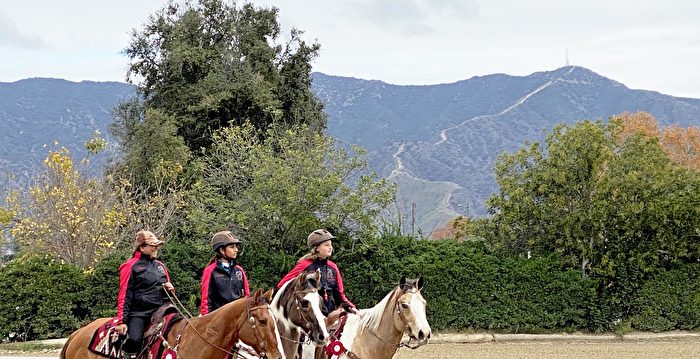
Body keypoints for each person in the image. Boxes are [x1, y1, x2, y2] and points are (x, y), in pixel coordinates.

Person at [114, 230, 175, 359]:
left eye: (157, 245)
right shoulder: (130, 266)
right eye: (153, 245)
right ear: (142, 247)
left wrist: (170, 289)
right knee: (134, 340)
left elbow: (168, 293)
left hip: (161, 310)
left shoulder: (160, 266)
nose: (156, 248)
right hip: (139, 313)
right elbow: (124, 294)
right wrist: (122, 321)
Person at [277, 229, 357, 316]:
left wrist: (352, 308)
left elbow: (339, 295)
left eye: (331, 245)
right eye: (326, 245)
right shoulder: (304, 265)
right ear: (317, 248)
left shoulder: (333, 267)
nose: (330, 247)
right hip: (309, 316)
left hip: (330, 314)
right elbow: (282, 285)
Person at [200, 230, 250, 315]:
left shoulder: (239, 270)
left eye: (236, 247)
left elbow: (247, 295)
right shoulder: (210, 271)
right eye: (232, 247)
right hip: (218, 318)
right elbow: (206, 299)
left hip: (238, 317)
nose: (236, 250)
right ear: (222, 250)